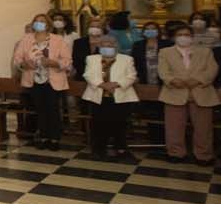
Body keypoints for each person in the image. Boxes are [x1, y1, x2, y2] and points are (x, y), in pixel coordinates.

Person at [159, 25, 219, 165]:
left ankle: (203, 155)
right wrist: (173, 80)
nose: (183, 37)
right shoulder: (165, 52)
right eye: (180, 34)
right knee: (174, 127)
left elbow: (212, 69)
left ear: (192, 37)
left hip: (201, 92)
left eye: (187, 34)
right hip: (175, 92)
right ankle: (176, 153)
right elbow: (163, 71)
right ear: (174, 37)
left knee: (203, 128)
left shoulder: (205, 52)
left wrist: (198, 80)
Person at [12, 12, 71, 149]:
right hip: (34, 81)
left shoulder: (58, 40)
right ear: (33, 24)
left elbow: (67, 61)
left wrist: (54, 63)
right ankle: (44, 137)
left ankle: (55, 139)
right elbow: (17, 59)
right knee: (40, 110)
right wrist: (23, 65)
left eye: (42, 21)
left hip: (53, 81)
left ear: (48, 24)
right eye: (37, 21)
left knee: (53, 110)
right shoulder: (26, 40)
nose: (39, 23)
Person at [81, 38, 138, 160]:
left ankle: (121, 149)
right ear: (99, 46)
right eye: (104, 44)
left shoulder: (127, 59)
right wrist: (103, 85)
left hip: (120, 97)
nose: (107, 46)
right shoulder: (91, 59)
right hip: (98, 97)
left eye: (110, 44)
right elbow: (88, 75)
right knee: (98, 124)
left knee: (120, 124)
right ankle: (98, 149)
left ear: (116, 46)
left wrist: (115, 84)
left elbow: (131, 76)